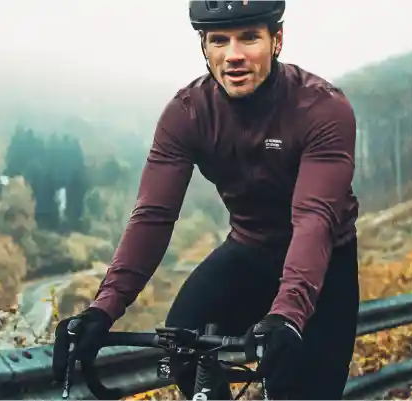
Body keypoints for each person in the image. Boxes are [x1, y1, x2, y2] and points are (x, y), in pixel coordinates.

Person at [50, 1, 360, 399]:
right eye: (219, 40)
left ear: (277, 40)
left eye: (249, 37)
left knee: (299, 390)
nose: (234, 55)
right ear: (204, 46)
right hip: (250, 249)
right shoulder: (188, 114)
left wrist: (288, 315)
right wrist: (102, 309)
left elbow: (314, 218)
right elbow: (152, 217)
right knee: (183, 350)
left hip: (324, 262)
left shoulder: (322, 108)